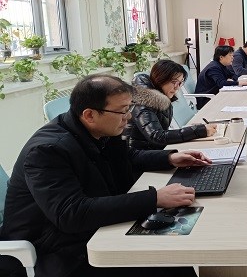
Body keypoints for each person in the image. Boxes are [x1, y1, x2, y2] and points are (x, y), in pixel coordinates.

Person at [0, 75, 209, 277]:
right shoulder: (47, 150)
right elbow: (71, 214)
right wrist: (154, 198)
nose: (128, 117)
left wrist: (170, 158)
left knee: (173, 252)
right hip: (54, 253)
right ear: (90, 115)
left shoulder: (98, 130)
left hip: (88, 233)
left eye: (129, 108)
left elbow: (128, 157)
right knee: (164, 260)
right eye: (122, 111)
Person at [124, 59, 216, 150]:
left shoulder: (162, 98)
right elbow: (157, 136)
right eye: (173, 82)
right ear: (160, 79)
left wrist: (193, 129)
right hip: (141, 154)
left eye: (180, 83)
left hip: (155, 150)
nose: (177, 87)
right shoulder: (143, 102)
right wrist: (197, 131)